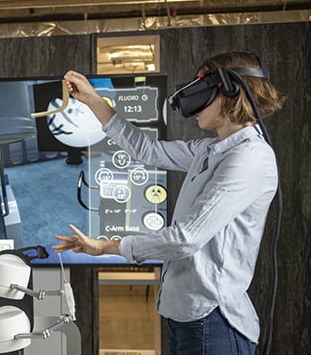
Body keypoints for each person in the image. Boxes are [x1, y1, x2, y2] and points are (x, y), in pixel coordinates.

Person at [53, 51, 285, 355]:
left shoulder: (248, 158)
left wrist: (106, 246)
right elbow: (147, 150)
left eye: (203, 89)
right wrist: (94, 101)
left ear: (229, 91)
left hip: (212, 321)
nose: (193, 101)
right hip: (187, 316)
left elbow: (185, 238)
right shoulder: (211, 150)